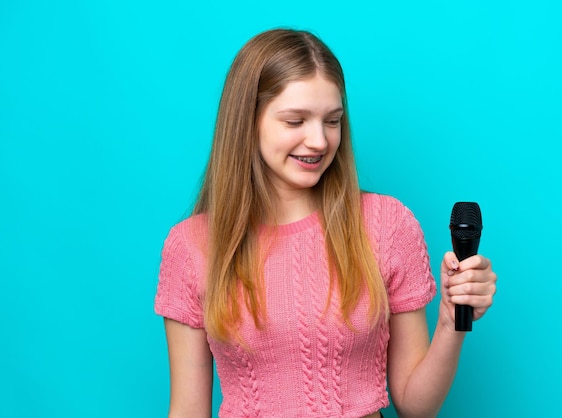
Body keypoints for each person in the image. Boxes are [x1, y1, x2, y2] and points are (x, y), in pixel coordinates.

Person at [154, 28, 497, 418]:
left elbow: (416, 406)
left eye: (331, 121)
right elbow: (187, 410)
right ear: (247, 122)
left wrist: (452, 320)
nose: (318, 141)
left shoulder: (386, 225)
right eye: (295, 120)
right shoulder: (192, 246)